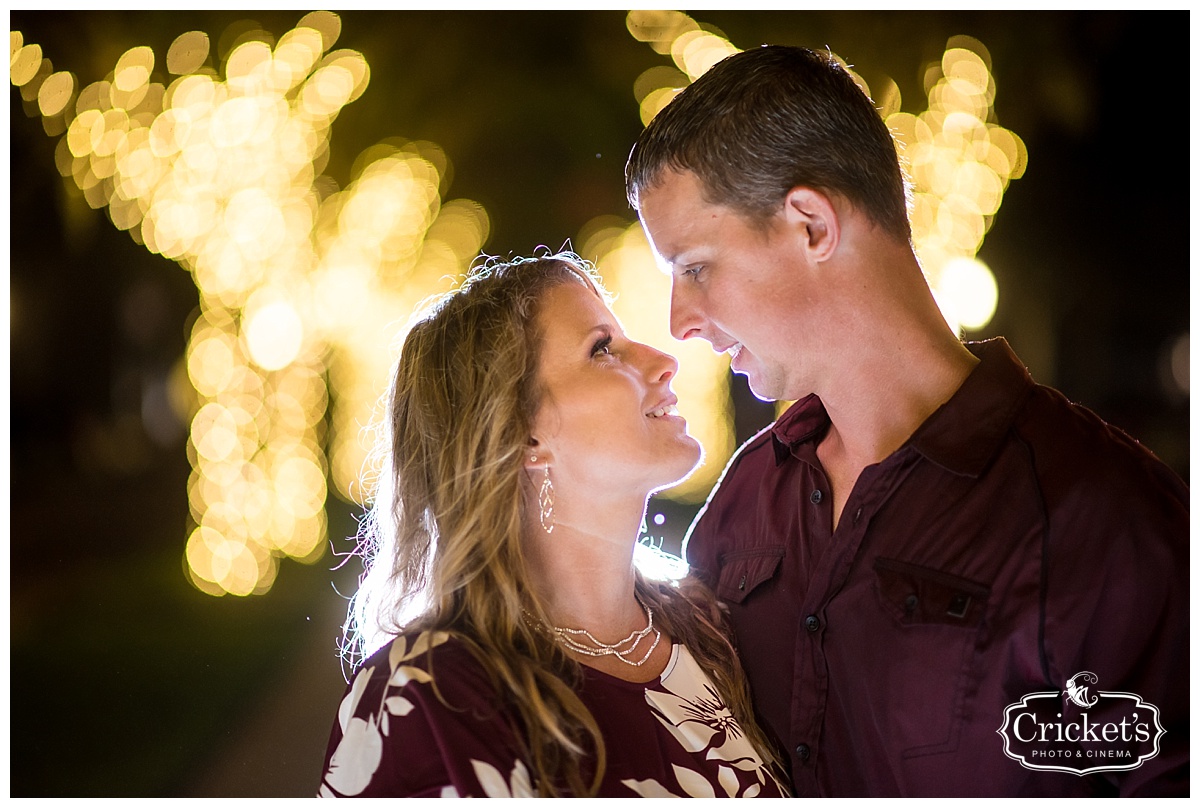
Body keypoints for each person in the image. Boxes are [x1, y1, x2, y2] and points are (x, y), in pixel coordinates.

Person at [625, 45, 1188, 797]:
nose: (679, 322)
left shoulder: (1107, 521)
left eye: (694, 267)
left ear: (811, 226)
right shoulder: (741, 508)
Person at [316, 253, 789, 798]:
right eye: (602, 349)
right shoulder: (426, 699)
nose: (664, 360)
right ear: (524, 437)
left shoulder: (714, 634)